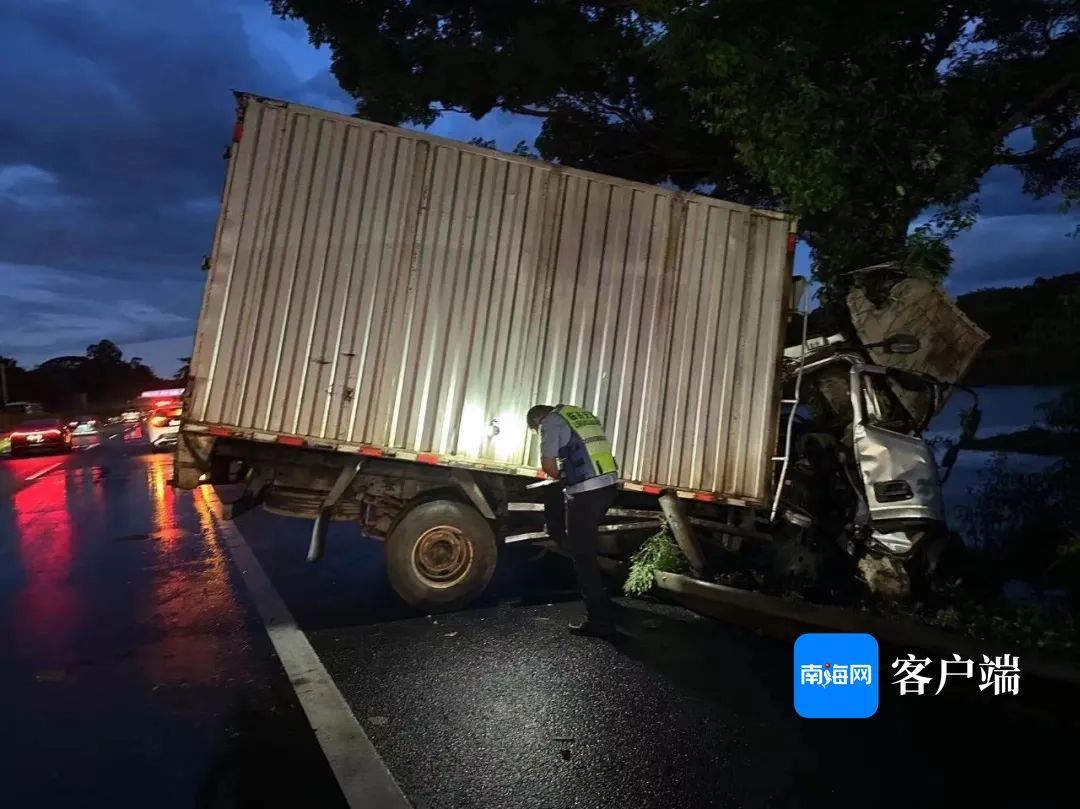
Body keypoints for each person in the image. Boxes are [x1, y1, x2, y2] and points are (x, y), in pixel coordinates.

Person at [526, 403, 619, 637]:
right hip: (608, 486)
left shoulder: (550, 422)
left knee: (581, 554)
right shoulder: (580, 414)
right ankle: (603, 600)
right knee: (585, 546)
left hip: (586, 491)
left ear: (538, 422)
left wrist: (562, 477)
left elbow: (548, 465)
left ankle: (600, 620)